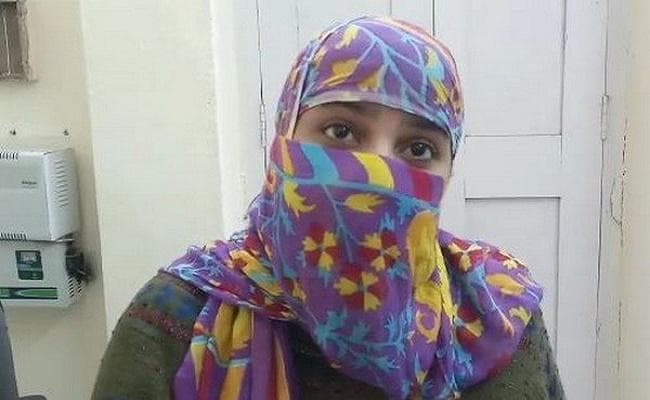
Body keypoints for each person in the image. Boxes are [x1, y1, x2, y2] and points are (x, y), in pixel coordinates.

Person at [92, 16, 564, 400]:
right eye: (342, 131)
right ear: (284, 139)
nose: (378, 171)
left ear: (448, 174)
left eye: (418, 149)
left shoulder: (498, 318)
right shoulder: (175, 320)